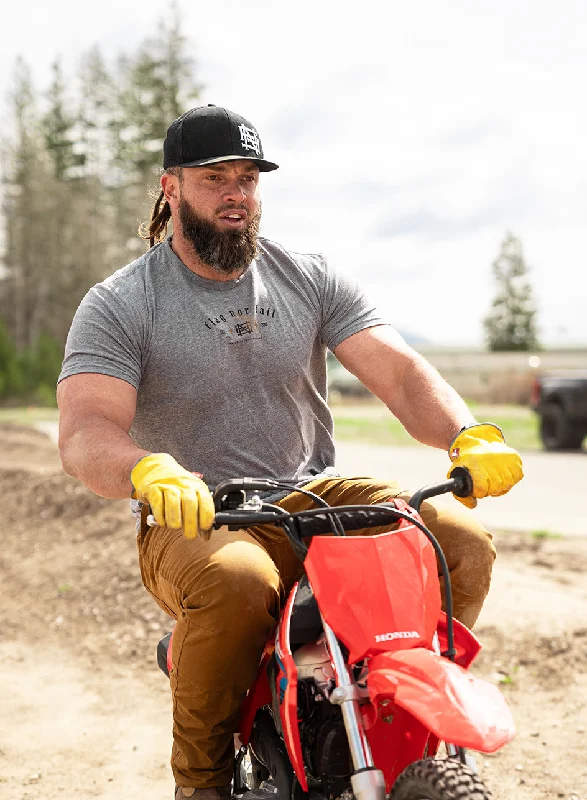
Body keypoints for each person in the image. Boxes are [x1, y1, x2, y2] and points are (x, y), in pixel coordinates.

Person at [57, 104, 523, 800]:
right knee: (238, 581)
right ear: (170, 187)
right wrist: (146, 469)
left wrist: (468, 432)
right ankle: (203, 785)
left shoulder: (306, 275)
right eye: (214, 177)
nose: (234, 192)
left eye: (247, 177)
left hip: (312, 493)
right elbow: (86, 429)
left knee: (457, 539)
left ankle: (396, 714)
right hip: (194, 513)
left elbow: (396, 372)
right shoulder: (122, 302)